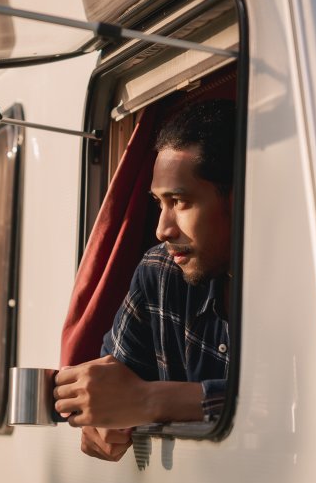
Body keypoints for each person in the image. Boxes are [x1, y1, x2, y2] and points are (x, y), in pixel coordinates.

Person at [53, 98, 235, 462]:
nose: (162, 229)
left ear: (239, 198)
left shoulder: (303, 280)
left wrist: (152, 400)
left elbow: (297, 402)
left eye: (179, 201)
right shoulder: (160, 271)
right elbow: (116, 386)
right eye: (159, 204)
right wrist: (101, 421)